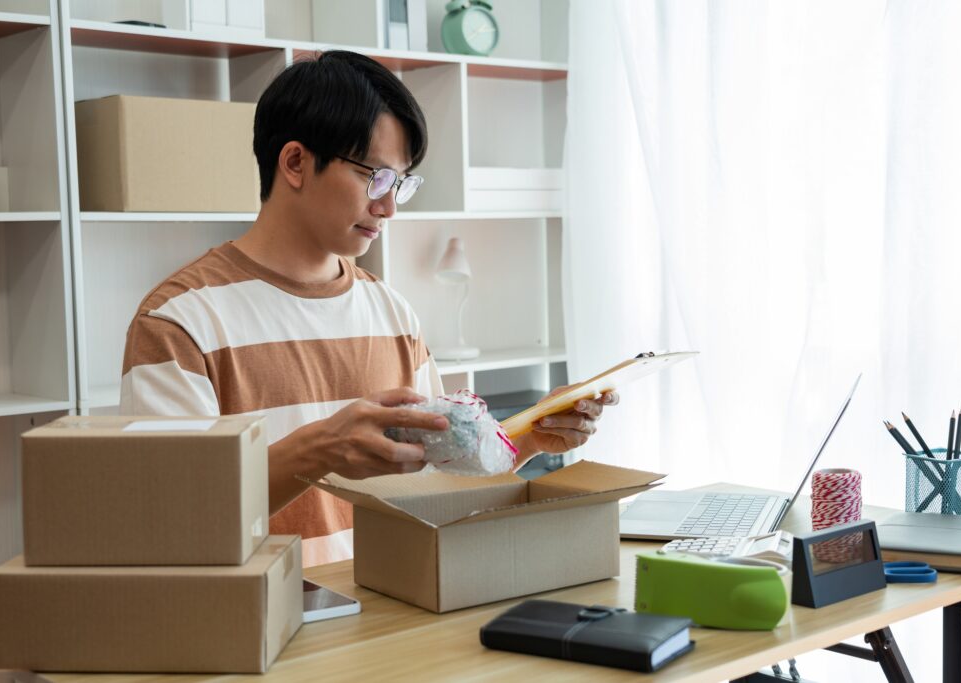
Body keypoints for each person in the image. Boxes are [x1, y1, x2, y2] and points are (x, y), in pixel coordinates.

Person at [119, 50, 618, 567]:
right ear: (294, 162)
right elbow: (172, 521)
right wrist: (319, 451)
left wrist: (529, 437)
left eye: (401, 183)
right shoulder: (179, 322)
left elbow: (437, 489)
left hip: (388, 615)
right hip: (259, 624)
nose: (390, 206)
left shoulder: (391, 313)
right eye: (375, 178)